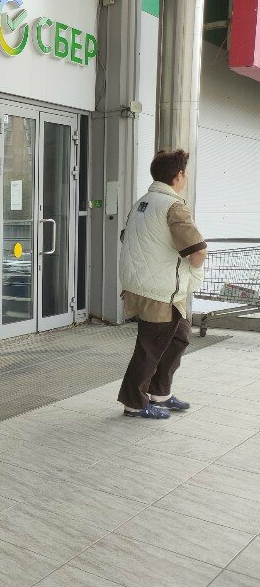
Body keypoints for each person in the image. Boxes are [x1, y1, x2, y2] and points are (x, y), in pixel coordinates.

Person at [118, 149, 207, 418]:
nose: (186, 178)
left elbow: (128, 239)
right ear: (178, 175)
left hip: (150, 286)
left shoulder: (142, 203)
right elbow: (197, 251)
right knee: (150, 347)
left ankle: (159, 392)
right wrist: (194, 269)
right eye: (185, 173)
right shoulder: (173, 206)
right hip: (160, 291)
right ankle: (134, 402)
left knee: (180, 336)